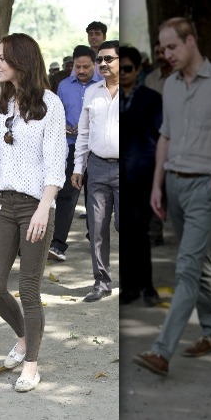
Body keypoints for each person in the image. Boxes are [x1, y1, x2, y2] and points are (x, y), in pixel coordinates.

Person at [132, 17, 211, 377]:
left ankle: (162, 351)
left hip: (209, 187)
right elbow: (165, 136)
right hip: (174, 186)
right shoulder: (172, 86)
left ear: (191, 41)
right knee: (197, 262)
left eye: (172, 47)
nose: (166, 54)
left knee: (186, 268)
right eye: (162, 48)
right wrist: (157, 185)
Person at [0, 32, 65, 392]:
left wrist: (45, 208)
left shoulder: (50, 104)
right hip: (2, 202)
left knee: (29, 289)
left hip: (36, 204)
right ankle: (24, 338)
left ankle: (31, 365)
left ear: (21, 61)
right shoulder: (4, 104)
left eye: (2, 58)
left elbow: (55, 162)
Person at [71, 41, 120, 302]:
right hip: (98, 167)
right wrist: (79, 167)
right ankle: (101, 282)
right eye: (100, 59)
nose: (103, 64)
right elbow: (84, 133)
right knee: (97, 226)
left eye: (109, 59)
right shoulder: (92, 92)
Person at [117, 46, 162, 306]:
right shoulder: (111, 99)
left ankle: (147, 287)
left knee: (140, 234)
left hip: (143, 176)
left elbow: (160, 137)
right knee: (124, 233)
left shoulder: (151, 98)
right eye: (119, 69)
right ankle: (129, 287)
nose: (123, 73)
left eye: (128, 69)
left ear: (138, 70)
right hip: (118, 176)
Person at [48, 45, 102, 262]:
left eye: (86, 67)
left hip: (96, 148)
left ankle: (96, 240)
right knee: (67, 195)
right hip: (70, 146)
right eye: (78, 67)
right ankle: (57, 244)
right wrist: (64, 127)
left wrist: (87, 127)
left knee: (96, 196)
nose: (81, 70)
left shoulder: (103, 85)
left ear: (94, 65)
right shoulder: (63, 86)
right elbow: (56, 113)